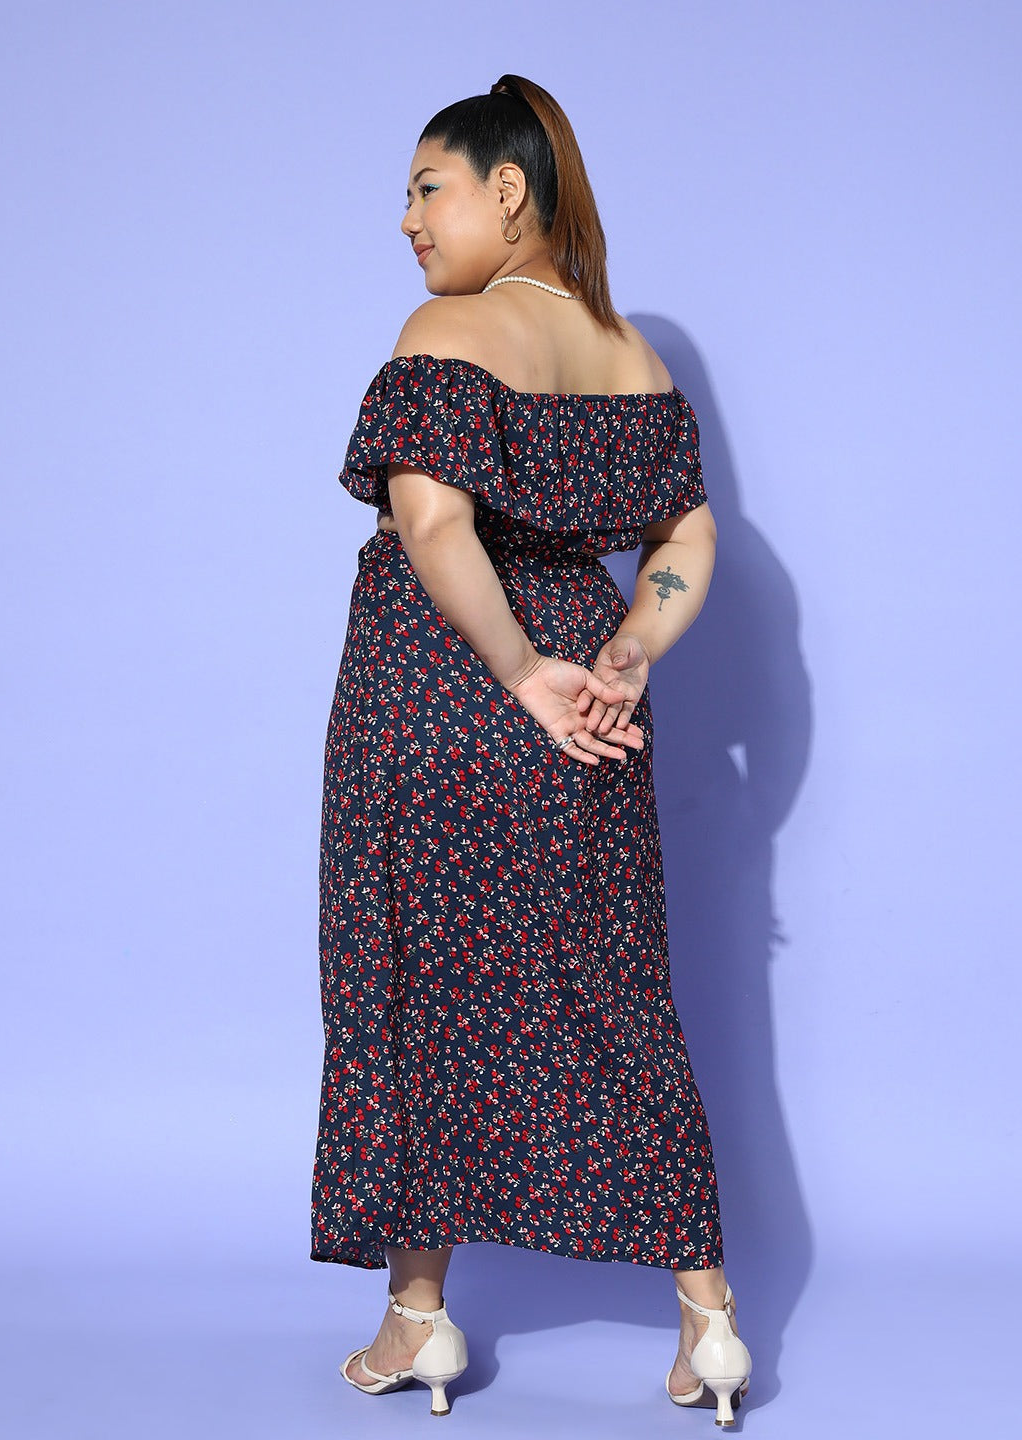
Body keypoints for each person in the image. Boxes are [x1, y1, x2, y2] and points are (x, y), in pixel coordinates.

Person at [310, 74, 752, 1425]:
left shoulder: (448, 329)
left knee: (410, 988)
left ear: (508, 190)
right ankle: (709, 1325)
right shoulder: (634, 359)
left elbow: (433, 522)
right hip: (592, 713)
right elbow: (687, 538)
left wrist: (518, 674)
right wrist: (626, 654)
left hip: (444, 693)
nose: (406, 221)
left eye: (426, 188)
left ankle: (417, 1319)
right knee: (618, 995)